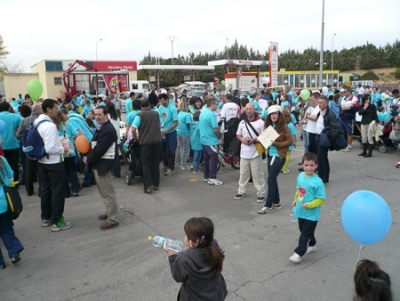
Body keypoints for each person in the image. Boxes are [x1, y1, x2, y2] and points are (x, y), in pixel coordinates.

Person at [163, 217, 227, 301]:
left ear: (191, 243)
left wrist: (171, 255)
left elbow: (177, 276)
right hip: (216, 295)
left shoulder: (184, 258)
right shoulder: (214, 245)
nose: (184, 236)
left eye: (185, 235)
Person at [35, 99, 72, 232]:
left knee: (45, 190)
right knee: (57, 191)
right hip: (54, 162)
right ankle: (57, 221)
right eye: (55, 108)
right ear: (48, 109)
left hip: (42, 161)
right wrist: (64, 149)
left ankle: (46, 217)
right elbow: (50, 148)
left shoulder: (37, 121)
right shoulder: (49, 126)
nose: (57, 110)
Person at [84, 106, 119, 230]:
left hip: (104, 165)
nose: (97, 117)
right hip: (99, 165)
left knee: (107, 193)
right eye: (96, 114)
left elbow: (100, 149)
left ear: (106, 115)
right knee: (104, 192)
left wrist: (88, 158)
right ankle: (109, 212)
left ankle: (113, 219)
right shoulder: (102, 127)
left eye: (100, 114)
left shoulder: (107, 129)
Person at [289, 152, 325, 263]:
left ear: (316, 166)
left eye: (311, 165)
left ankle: (299, 253)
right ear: (302, 165)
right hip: (301, 211)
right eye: (306, 165)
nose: (309, 168)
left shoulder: (318, 182)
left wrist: (309, 205)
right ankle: (313, 244)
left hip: (311, 214)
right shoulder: (300, 176)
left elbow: (321, 199)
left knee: (304, 234)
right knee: (304, 230)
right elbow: (298, 190)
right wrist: (295, 200)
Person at [258, 105, 292, 214]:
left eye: (275, 113)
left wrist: (276, 143)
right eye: (271, 114)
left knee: (271, 179)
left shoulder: (284, 127)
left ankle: (269, 205)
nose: (273, 115)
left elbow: (289, 141)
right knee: (273, 178)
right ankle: (276, 202)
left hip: (279, 156)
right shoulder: (269, 126)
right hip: (270, 155)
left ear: (279, 114)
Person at [234, 103, 265, 202]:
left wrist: (254, 140)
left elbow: (265, 137)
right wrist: (242, 139)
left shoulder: (261, 122)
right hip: (244, 153)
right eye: (247, 109)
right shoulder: (242, 122)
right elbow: (238, 135)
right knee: (243, 173)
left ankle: (261, 193)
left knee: (257, 174)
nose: (248, 111)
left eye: (250, 109)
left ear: (254, 110)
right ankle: (241, 191)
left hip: (256, 153)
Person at [307, 96, 340, 183]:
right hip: (317, 136)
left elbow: (335, 128)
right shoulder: (320, 112)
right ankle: (324, 177)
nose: (319, 104)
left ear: (326, 104)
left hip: (323, 138)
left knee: (321, 158)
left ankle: (322, 178)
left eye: (321, 103)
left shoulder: (330, 114)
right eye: (319, 102)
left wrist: (328, 138)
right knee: (323, 157)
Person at [132, 99, 162, 193]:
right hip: (157, 141)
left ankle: (148, 186)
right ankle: (156, 183)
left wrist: (136, 139)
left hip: (145, 142)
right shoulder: (156, 113)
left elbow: (133, 129)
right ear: (149, 104)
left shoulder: (139, 115)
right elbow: (160, 125)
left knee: (146, 164)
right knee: (155, 163)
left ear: (141, 106)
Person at [0, 156, 24, 269]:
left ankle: (0, 263)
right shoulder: (2, 159)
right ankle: (14, 251)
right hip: (3, 202)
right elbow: (10, 176)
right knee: (7, 229)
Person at [200, 98, 223, 185]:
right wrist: (220, 136)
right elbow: (216, 128)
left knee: (206, 159)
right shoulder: (211, 114)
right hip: (211, 140)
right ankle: (212, 177)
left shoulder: (203, 112)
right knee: (213, 159)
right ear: (212, 104)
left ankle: (206, 176)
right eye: (216, 104)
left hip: (204, 140)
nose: (217, 106)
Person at [0, 102, 23, 184]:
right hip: (13, 144)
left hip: (1, 146)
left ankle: (3, 182)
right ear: (9, 108)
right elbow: (24, 123)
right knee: (14, 164)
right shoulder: (15, 116)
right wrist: (17, 131)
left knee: (1, 165)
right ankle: (15, 182)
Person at [158, 93, 178, 176]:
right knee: (163, 150)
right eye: (160, 101)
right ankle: (165, 165)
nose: (161, 103)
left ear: (167, 100)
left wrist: (167, 130)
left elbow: (176, 123)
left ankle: (171, 168)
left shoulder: (172, 109)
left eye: (163, 101)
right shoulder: (160, 107)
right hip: (162, 131)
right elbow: (159, 119)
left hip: (171, 132)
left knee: (171, 150)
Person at [339, 86, 359, 152]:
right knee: (342, 132)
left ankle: (349, 145)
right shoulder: (343, 98)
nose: (343, 93)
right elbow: (340, 107)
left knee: (349, 132)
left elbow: (357, 108)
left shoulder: (355, 99)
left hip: (349, 118)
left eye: (344, 92)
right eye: (343, 92)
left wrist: (349, 108)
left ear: (349, 92)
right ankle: (344, 144)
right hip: (342, 118)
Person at [176, 100, 193, 170]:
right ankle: (183, 164)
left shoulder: (179, 113)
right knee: (186, 149)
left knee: (180, 147)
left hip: (178, 132)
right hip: (185, 133)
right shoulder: (187, 115)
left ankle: (178, 161)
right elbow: (188, 124)